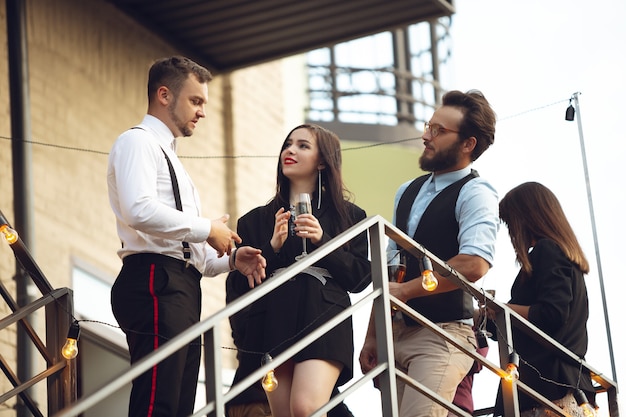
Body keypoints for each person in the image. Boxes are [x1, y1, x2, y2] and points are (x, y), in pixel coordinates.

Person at [107, 55, 266, 417]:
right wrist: (207, 227)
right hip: (153, 280)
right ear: (164, 95)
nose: (203, 112)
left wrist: (229, 260)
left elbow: (188, 252)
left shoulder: (170, 156)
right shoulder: (138, 142)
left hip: (178, 285)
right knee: (157, 401)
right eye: (196, 101)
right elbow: (139, 210)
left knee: (177, 404)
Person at [359, 89, 499, 417]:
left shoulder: (476, 192)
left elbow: (475, 264)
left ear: (468, 144)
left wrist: (407, 292)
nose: (426, 136)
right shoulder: (406, 191)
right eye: (428, 126)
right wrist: (373, 333)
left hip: (444, 334)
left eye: (438, 131)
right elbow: (391, 266)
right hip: (396, 331)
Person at [225, 123, 371, 417]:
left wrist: (323, 241)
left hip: (324, 316)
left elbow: (360, 278)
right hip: (274, 320)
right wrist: (272, 250)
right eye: (288, 144)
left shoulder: (350, 216)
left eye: (303, 146)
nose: (290, 150)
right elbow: (238, 288)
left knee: (305, 408)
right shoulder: (255, 220)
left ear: (322, 161)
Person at [489, 182, 597, 416]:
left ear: (527, 217)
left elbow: (552, 314)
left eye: (511, 223)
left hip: (548, 391)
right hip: (565, 388)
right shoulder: (565, 257)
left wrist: (502, 309)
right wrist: (492, 317)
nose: (512, 232)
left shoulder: (548, 250)